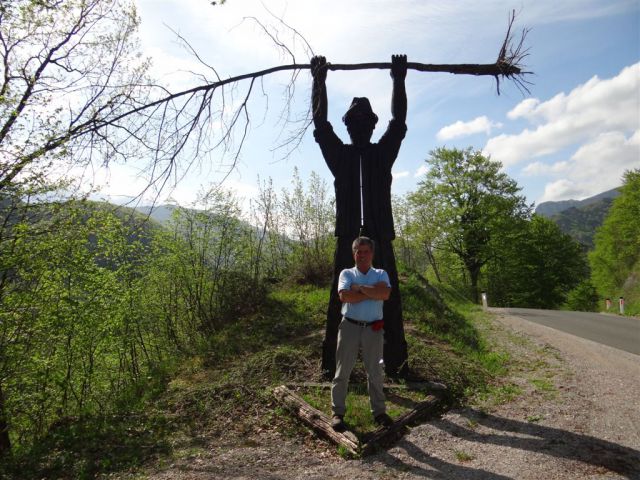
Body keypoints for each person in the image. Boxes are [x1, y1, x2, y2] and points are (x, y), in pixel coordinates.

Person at [311, 54, 409, 379]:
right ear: (348, 126)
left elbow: (399, 122)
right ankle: (331, 365)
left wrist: (398, 79)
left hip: (380, 234)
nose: (359, 127)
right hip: (348, 236)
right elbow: (320, 125)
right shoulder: (341, 156)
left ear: (372, 125)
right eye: (354, 123)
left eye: (365, 123)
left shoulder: (382, 154)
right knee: (339, 301)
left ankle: (397, 364)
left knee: (389, 300)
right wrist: (319, 81)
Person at [331, 236, 393, 431]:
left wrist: (358, 289)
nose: (362, 255)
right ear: (354, 254)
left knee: (375, 372)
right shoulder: (346, 273)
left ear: (372, 253)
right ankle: (337, 412)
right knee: (342, 372)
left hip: (373, 329)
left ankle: (379, 412)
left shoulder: (381, 273)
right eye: (359, 252)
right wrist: (371, 292)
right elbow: (345, 296)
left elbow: (385, 294)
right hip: (349, 326)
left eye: (366, 251)